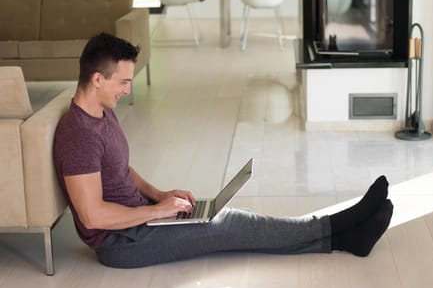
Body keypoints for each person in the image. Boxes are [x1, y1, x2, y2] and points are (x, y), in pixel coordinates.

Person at [53, 33, 394, 269]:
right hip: (122, 243)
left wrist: (160, 195)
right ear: (97, 79)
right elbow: (92, 216)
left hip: (140, 219)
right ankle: (341, 226)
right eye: (123, 82)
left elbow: (119, 168)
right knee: (230, 225)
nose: (128, 90)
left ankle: (345, 237)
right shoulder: (78, 134)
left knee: (227, 217)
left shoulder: (101, 112)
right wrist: (157, 212)